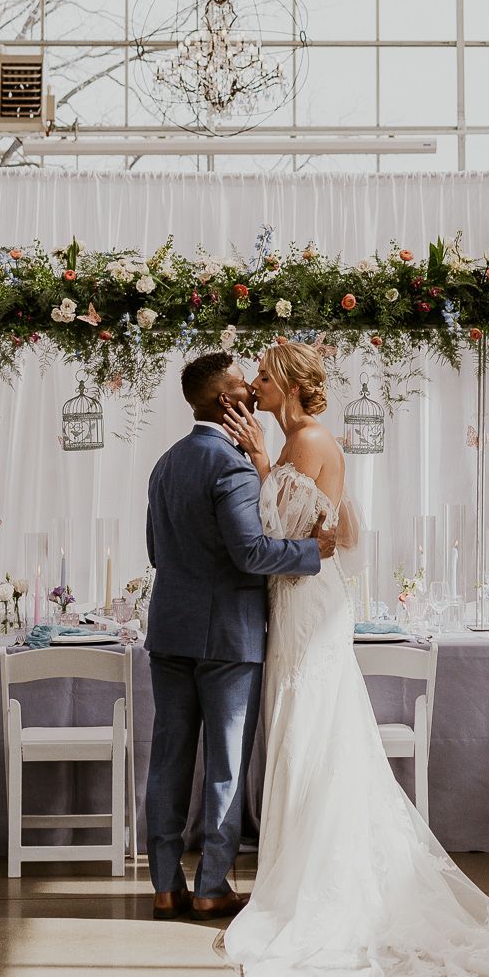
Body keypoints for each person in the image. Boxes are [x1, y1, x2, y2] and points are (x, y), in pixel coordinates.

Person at [217, 340, 489, 977]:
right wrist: (272, 473)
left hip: (304, 602)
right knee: (308, 728)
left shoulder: (307, 440)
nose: (255, 387)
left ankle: (310, 888)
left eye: (264, 377)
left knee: (311, 730)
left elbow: (283, 537)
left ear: (291, 384)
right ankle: (293, 874)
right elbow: (333, 533)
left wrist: (262, 462)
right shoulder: (303, 442)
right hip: (301, 600)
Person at [143, 350, 337, 922]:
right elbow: (252, 553)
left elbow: (156, 552)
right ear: (226, 401)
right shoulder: (227, 466)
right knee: (226, 765)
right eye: (243, 386)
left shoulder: (166, 463)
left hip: (170, 632)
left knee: (169, 761)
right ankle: (211, 886)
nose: (253, 391)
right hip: (229, 638)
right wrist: (314, 552)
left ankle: (163, 884)